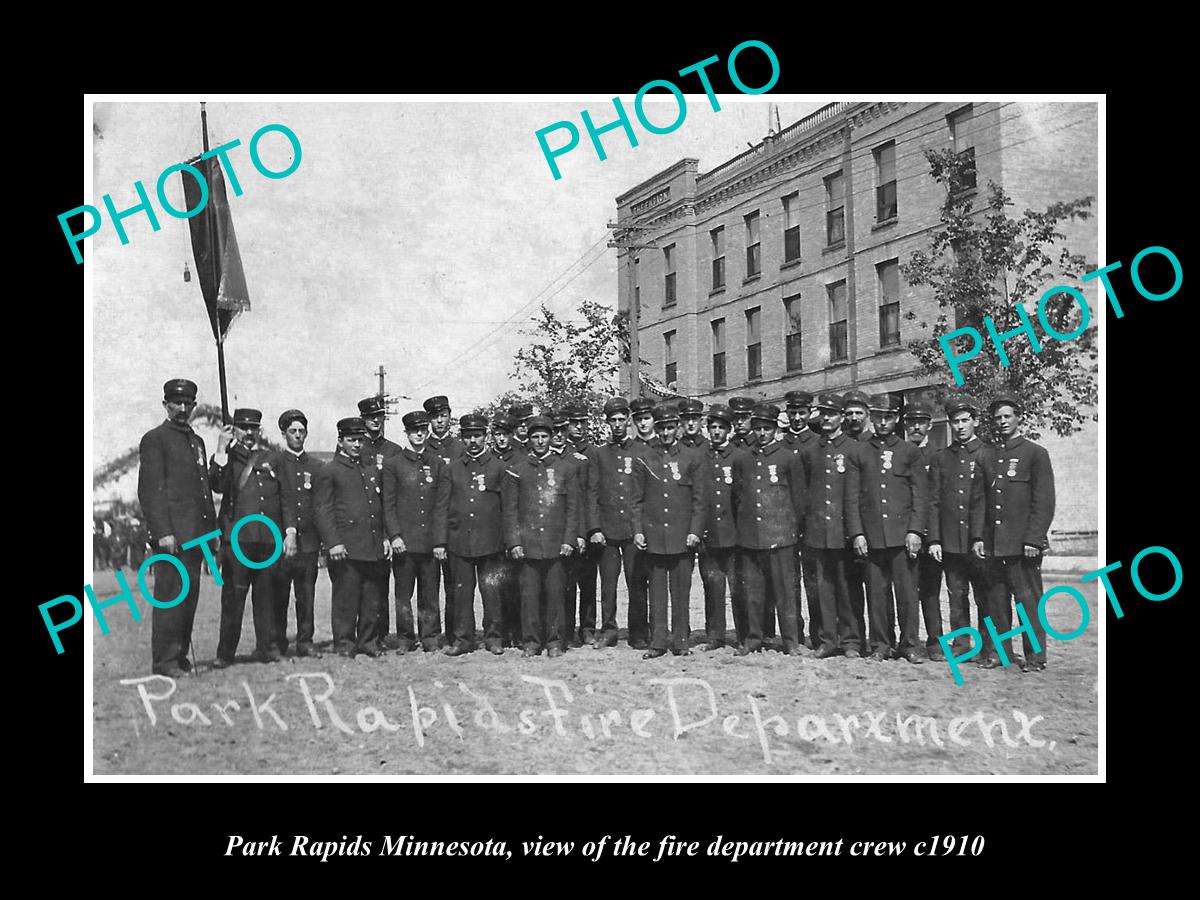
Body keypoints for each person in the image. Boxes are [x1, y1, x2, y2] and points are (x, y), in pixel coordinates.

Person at [137, 378, 217, 677]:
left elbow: (204, 490)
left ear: (194, 406)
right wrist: (162, 532)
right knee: (170, 597)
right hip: (171, 537)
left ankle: (180, 656)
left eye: (188, 404)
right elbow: (150, 490)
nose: (183, 409)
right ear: (166, 405)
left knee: (189, 598)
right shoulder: (156, 439)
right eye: (177, 403)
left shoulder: (196, 441)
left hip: (196, 535)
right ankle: (165, 661)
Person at [970, 392, 1056, 672]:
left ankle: (1035, 657)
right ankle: (1000, 653)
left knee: (1028, 604)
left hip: (1022, 546)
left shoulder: (1035, 454)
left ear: (1019, 418)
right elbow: (979, 501)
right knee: (997, 603)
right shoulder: (986, 456)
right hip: (994, 546)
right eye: (997, 418)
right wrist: (978, 538)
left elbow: (1043, 501)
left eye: (1008, 416)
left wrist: (1034, 538)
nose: (1002, 421)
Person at [846, 394, 928, 663]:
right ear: (872, 417)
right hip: (871, 537)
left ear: (896, 419)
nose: (882, 422)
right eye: (878, 417)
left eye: (888, 417)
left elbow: (920, 496)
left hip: (902, 537)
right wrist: (857, 533)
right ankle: (881, 644)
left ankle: (910, 644)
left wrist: (915, 531)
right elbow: (853, 496)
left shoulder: (909, 452)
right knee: (877, 596)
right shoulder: (859, 452)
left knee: (906, 595)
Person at [210, 408, 284, 667]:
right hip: (238, 540)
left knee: (266, 598)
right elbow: (217, 485)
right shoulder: (226, 458)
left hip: (266, 540)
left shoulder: (270, 458)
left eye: (254, 428)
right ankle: (225, 653)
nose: (249, 432)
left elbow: (281, 498)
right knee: (233, 598)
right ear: (235, 430)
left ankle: (268, 647)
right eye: (244, 427)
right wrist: (221, 448)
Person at [313, 417, 392, 658]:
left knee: (371, 598)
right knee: (346, 599)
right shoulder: (330, 471)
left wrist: (386, 537)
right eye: (351, 440)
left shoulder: (369, 469)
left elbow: (379, 506)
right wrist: (333, 542)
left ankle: (368, 641)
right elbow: (322, 510)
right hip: (346, 547)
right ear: (340, 441)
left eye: (359, 440)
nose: (357, 444)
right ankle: (345, 643)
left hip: (372, 545)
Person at [732, 404, 806, 655]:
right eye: (758, 428)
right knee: (752, 592)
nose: (762, 433)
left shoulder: (788, 457)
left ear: (775, 429)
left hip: (780, 535)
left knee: (785, 592)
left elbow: (797, 497)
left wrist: (792, 531)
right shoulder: (743, 460)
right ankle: (754, 638)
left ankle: (790, 640)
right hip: (751, 535)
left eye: (767, 428)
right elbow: (738, 497)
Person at [503, 415, 580, 657]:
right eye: (535, 437)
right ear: (528, 439)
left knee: (556, 595)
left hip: (556, 544)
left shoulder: (566, 468)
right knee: (529, 596)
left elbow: (572, 508)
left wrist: (569, 540)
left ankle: (555, 642)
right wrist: (514, 541)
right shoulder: (518, 470)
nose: (539, 441)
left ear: (551, 438)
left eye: (544, 436)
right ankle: (532, 642)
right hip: (528, 545)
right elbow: (511, 510)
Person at [632, 405, 705, 658]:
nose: (665, 432)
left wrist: (695, 531)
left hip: (682, 536)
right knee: (657, 593)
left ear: (678, 428)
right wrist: (638, 531)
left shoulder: (691, 457)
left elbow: (699, 500)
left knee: (681, 591)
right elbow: (637, 499)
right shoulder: (644, 457)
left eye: (670, 427)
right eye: (661, 428)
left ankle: (681, 641)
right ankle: (658, 642)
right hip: (654, 536)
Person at [433, 413, 508, 655]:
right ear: (462, 438)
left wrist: (507, 540)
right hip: (459, 542)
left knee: (492, 592)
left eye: (477, 435)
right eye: (468, 436)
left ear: (485, 436)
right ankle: (462, 639)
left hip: (491, 542)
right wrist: (440, 541)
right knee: (461, 594)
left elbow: (508, 507)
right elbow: (441, 507)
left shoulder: (499, 467)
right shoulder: (450, 470)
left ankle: (494, 637)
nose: (473, 440)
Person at [800, 393, 862, 658]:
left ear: (841, 417)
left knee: (848, 588)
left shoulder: (854, 449)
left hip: (844, 531)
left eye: (832, 414)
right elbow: (803, 492)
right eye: (823, 413)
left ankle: (851, 641)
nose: (827, 418)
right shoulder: (810, 452)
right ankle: (827, 639)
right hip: (818, 530)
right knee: (823, 588)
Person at [927, 399, 988, 662]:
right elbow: (934, 501)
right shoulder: (942, 458)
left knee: (985, 597)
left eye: (965, 420)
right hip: (951, 542)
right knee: (957, 596)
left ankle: (989, 646)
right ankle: (962, 643)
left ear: (975, 421)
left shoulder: (988, 453)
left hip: (980, 542)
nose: (960, 426)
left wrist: (983, 536)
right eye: (955, 421)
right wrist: (935, 539)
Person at [381, 410, 447, 653]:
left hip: (430, 542)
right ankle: (405, 638)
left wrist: (440, 541)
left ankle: (430, 636)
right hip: (404, 543)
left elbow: (441, 505)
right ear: (406, 433)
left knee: (429, 593)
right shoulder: (393, 464)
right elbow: (387, 504)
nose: (419, 434)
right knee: (403, 594)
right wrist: (394, 535)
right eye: (413, 430)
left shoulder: (437, 463)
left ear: (428, 431)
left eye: (422, 430)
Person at [592, 397, 649, 649]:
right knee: (608, 585)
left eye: (620, 419)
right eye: (612, 420)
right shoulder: (599, 454)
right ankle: (609, 629)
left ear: (628, 420)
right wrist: (595, 528)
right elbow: (592, 492)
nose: (616, 424)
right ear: (607, 422)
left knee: (637, 583)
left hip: (633, 531)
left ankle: (638, 632)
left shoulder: (642, 451)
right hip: (608, 531)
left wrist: (642, 529)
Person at [274, 409, 322, 658]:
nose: (297, 435)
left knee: (306, 594)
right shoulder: (276, 463)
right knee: (280, 594)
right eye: (292, 431)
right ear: (284, 434)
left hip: (309, 542)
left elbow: (320, 505)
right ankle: (279, 642)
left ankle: (305, 641)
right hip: (283, 542)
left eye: (301, 431)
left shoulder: (315, 466)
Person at [358, 395, 402, 645]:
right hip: (362, 527)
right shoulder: (355, 447)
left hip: (385, 525)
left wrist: (389, 533)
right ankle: (364, 634)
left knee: (381, 584)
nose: (375, 421)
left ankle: (382, 635)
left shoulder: (393, 450)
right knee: (361, 585)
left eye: (379, 417)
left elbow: (393, 496)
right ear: (363, 420)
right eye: (370, 417)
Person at [904, 398, 945, 660]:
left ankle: (936, 642)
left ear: (929, 425)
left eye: (921, 422)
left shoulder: (938, 457)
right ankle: (909, 643)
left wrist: (934, 537)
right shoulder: (900, 453)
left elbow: (936, 499)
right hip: (904, 534)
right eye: (911, 422)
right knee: (907, 592)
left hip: (929, 536)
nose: (916, 427)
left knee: (930, 592)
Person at [699, 404, 743, 649]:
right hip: (709, 535)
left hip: (734, 535)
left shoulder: (738, 456)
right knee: (712, 587)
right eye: (712, 427)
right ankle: (714, 636)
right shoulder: (701, 457)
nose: (716, 432)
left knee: (738, 589)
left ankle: (743, 635)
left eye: (721, 427)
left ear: (729, 429)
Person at [563, 402, 601, 647]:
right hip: (566, 528)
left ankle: (587, 628)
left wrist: (590, 530)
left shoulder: (594, 453)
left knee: (588, 584)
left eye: (583, 423)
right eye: (574, 423)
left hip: (587, 527)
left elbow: (594, 493)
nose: (578, 427)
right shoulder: (560, 452)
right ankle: (566, 628)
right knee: (565, 583)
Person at [490, 413, 522, 646]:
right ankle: (498, 631)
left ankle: (517, 632)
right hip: (493, 530)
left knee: (516, 584)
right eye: (497, 434)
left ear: (511, 435)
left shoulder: (520, 458)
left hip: (514, 529)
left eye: (505, 434)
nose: (501, 439)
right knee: (496, 586)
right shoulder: (489, 459)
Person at [424, 395, 464, 463]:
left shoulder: (461, 448)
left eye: (443, 416)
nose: (439, 420)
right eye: (435, 416)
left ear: (449, 417)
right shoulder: (422, 447)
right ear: (429, 419)